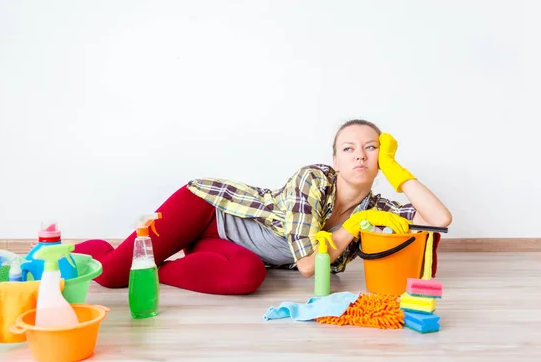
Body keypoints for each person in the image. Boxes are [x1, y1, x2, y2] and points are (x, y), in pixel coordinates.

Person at [74, 119, 452, 295]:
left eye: (371, 148)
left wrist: (396, 171)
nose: (360, 155)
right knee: (111, 277)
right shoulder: (314, 180)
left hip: (236, 245)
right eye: (348, 148)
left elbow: (439, 220)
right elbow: (308, 266)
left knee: (246, 277)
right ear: (335, 160)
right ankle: (73, 254)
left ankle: (157, 269)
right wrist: (356, 226)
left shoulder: (376, 205)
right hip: (207, 208)